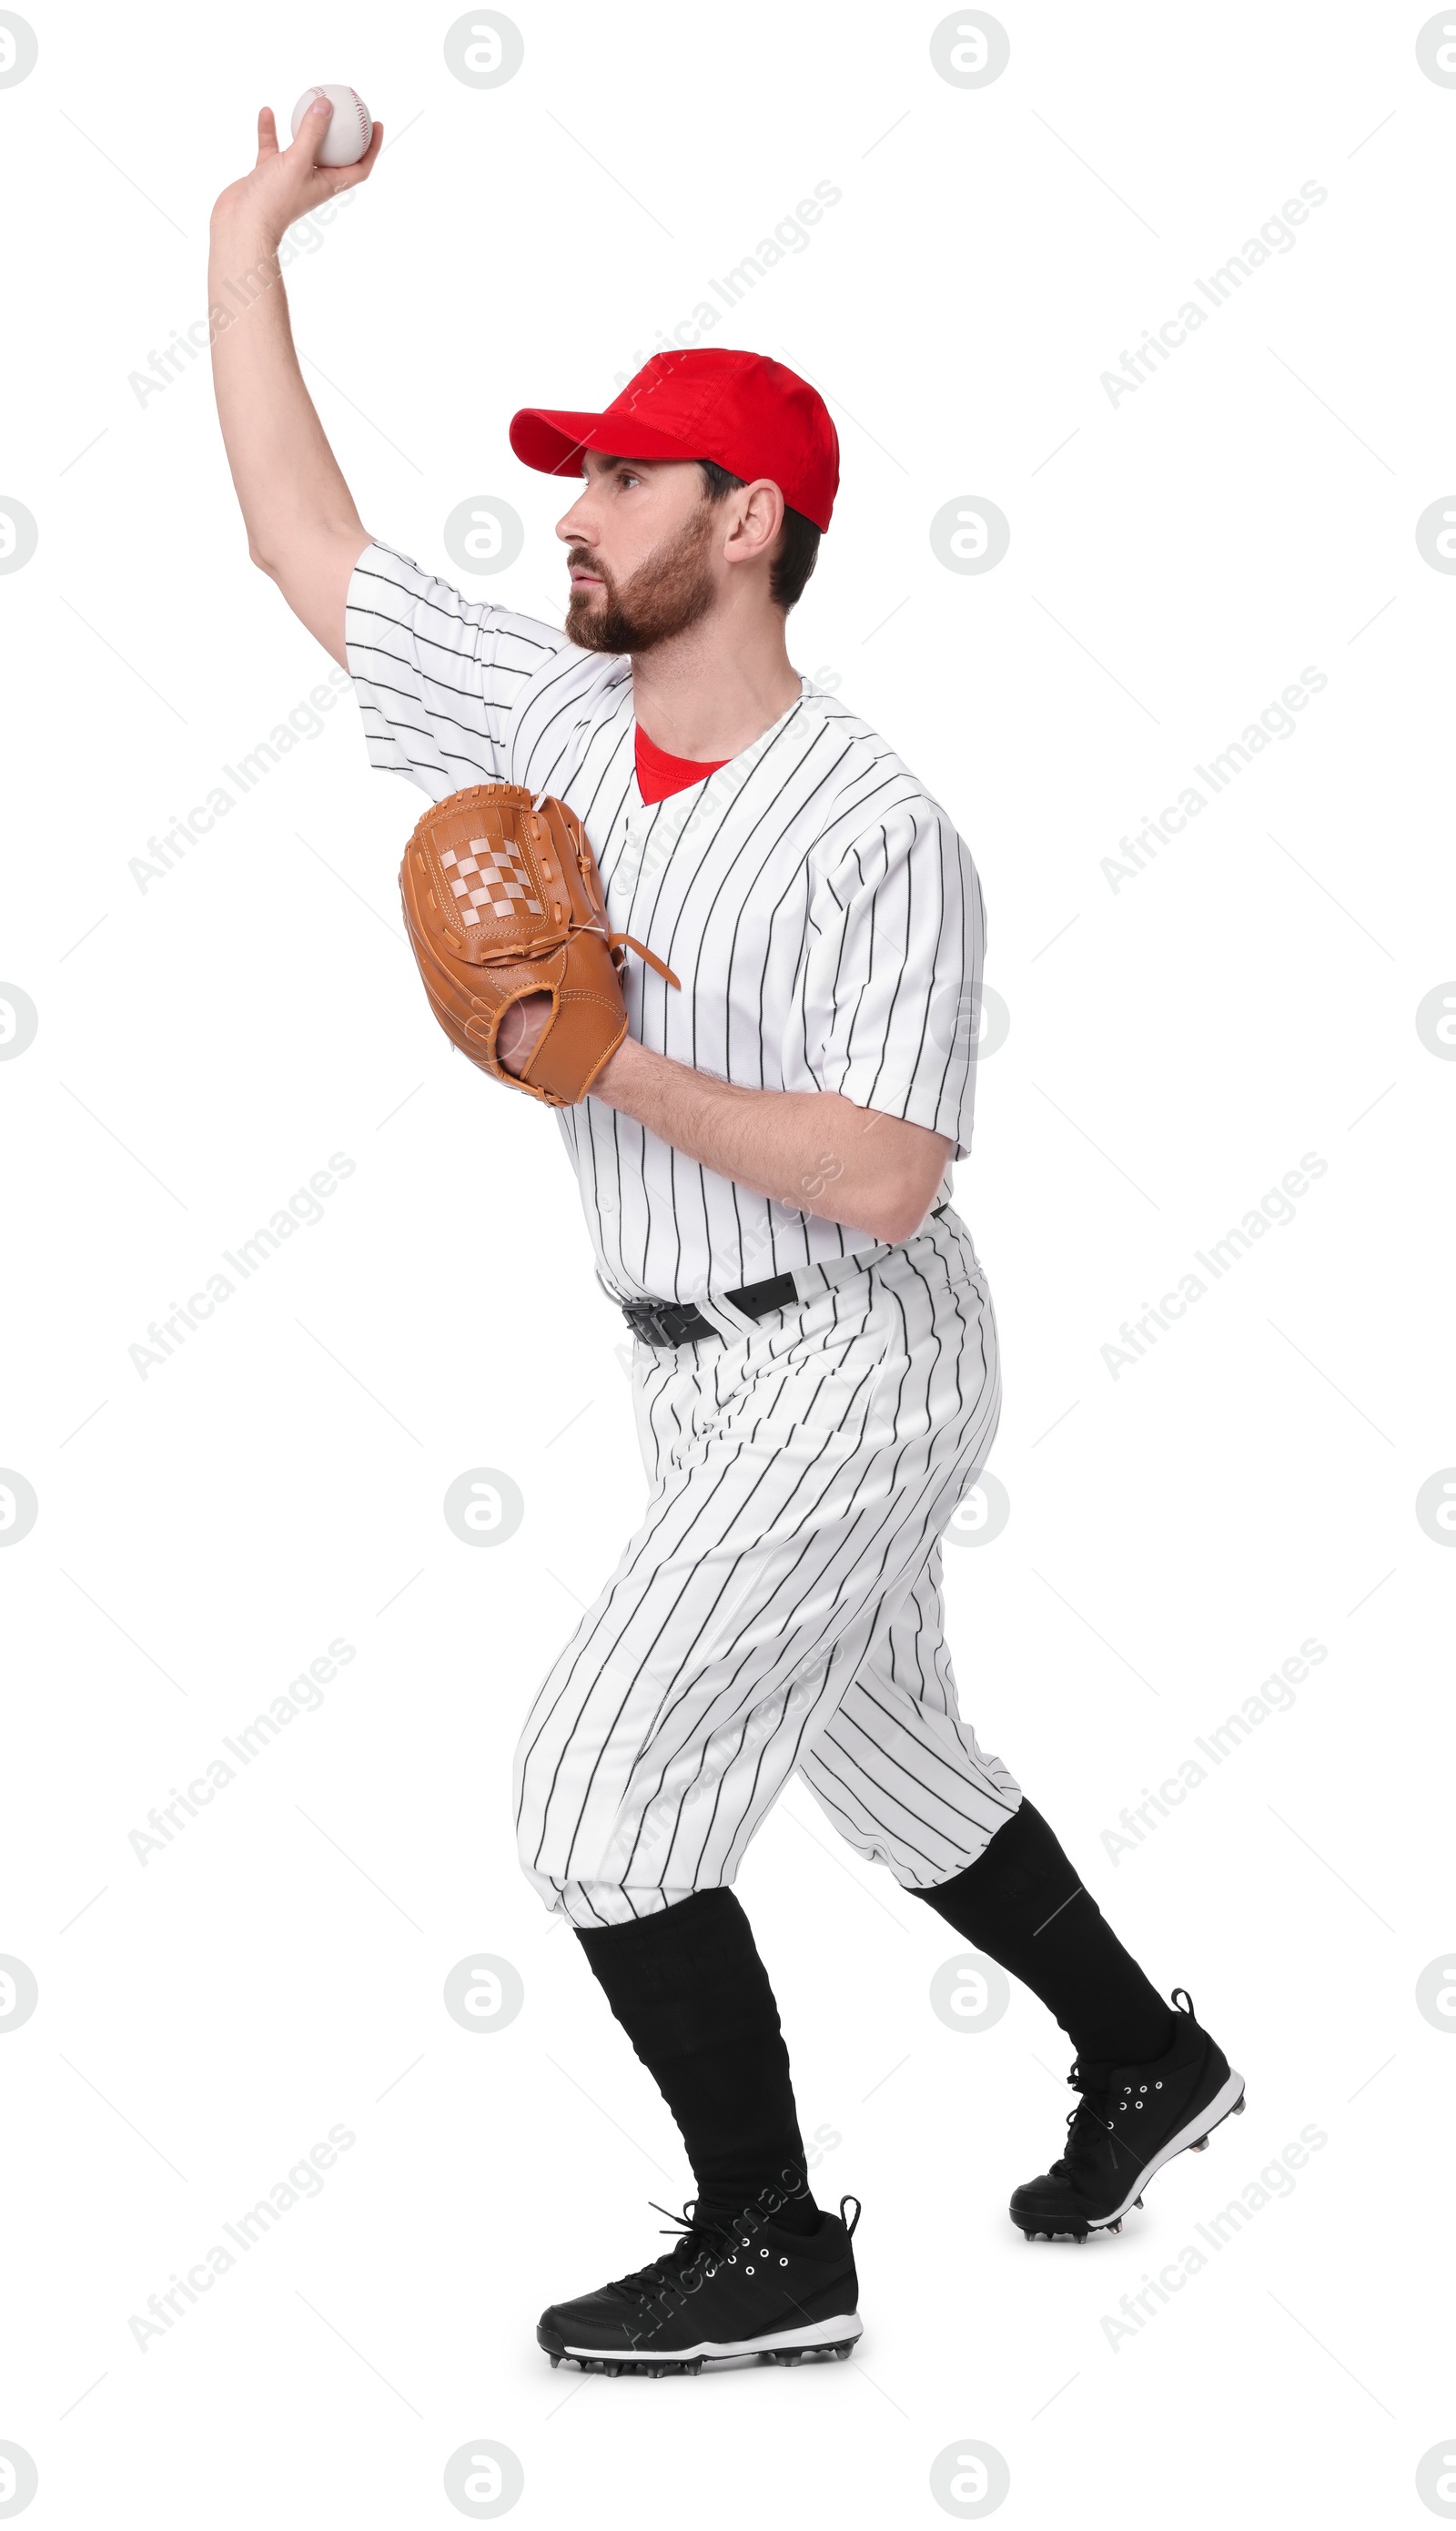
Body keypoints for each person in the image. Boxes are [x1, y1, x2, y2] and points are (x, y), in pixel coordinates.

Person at [207, 96, 1244, 2379]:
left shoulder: (879, 827)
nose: (567, 515)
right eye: (574, 477)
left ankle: (772, 2237)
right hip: (684, 1357)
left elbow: (886, 1176)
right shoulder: (551, 711)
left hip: (856, 1338)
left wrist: (610, 1066)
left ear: (744, 521)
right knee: (876, 1740)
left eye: (614, 479)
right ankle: (1143, 2053)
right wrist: (246, 231)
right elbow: (305, 541)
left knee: (591, 1782)